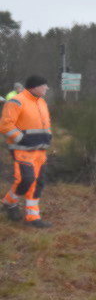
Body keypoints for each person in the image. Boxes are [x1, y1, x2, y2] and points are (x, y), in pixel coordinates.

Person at [0, 76, 53, 228]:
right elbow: (5, 125)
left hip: (40, 150)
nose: (47, 88)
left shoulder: (41, 102)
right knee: (26, 179)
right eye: (44, 85)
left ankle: (32, 217)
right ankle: (9, 202)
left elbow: (44, 123)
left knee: (38, 183)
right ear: (34, 87)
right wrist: (22, 139)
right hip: (22, 150)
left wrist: (48, 136)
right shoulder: (16, 101)